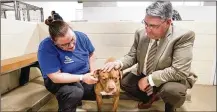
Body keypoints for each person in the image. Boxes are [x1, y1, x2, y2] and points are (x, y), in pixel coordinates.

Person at [102, 1, 197, 112]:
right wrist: (118, 63)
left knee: (172, 91)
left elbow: (179, 71)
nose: (147, 29)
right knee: (125, 82)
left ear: (168, 22)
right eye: (146, 23)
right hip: (145, 72)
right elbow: (132, 56)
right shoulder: (140, 33)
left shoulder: (183, 36)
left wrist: (150, 79)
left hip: (170, 77)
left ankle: (170, 106)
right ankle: (150, 97)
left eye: (153, 26)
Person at [37, 20, 98, 112]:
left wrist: (92, 72)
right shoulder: (46, 47)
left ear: (72, 31)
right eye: (64, 45)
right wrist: (82, 77)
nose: (71, 46)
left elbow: (91, 53)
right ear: (54, 42)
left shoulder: (81, 37)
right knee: (74, 91)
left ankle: (74, 103)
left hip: (83, 75)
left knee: (102, 89)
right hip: (58, 80)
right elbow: (55, 77)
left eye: (72, 39)